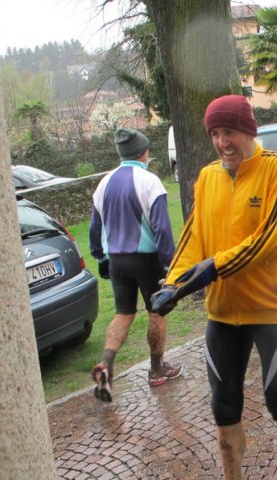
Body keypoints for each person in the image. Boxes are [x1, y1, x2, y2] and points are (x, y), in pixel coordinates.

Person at [150, 95, 277, 480]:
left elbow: (274, 238)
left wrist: (213, 267)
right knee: (223, 408)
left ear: (248, 131)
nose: (222, 142)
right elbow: (193, 237)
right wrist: (173, 282)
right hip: (222, 313)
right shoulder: (207, 178)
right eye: (215, 134)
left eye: (229, 132)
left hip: (271, 309)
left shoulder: (276, 169)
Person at [89, 127, 182, 402]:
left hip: (117, 261)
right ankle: (157, 370)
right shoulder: (150, 181)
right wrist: (170, 265)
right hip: (146, 259)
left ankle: (106, 365)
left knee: (123, 314)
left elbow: (95, 228)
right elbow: (161, 228)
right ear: (144, 151)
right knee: (157, 312)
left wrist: (101, 258)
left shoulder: (104, 183)